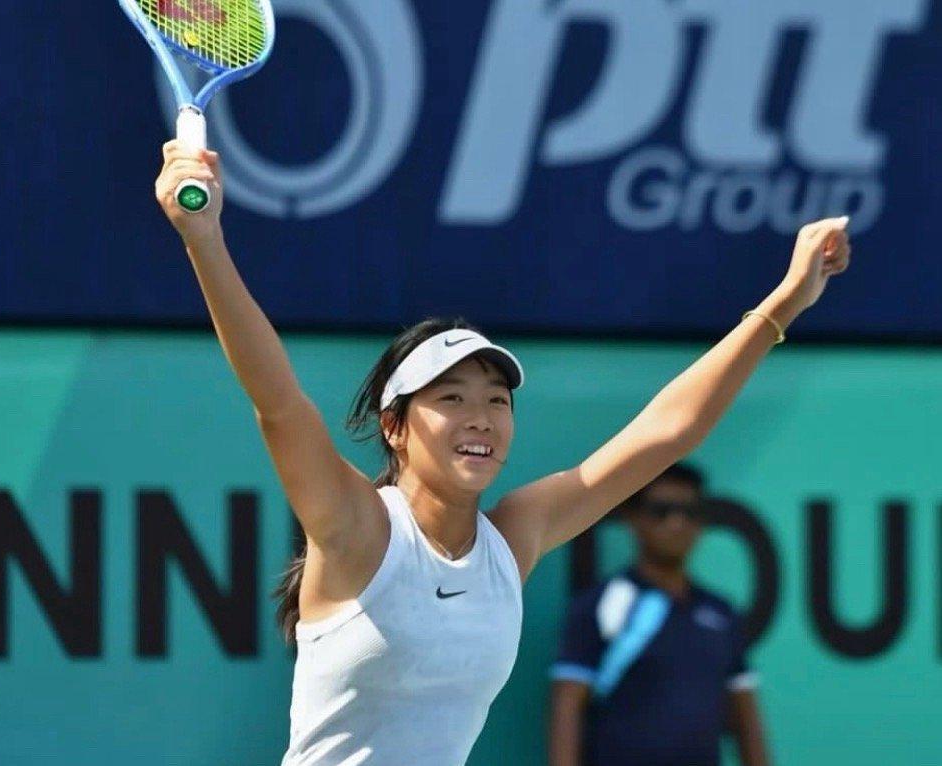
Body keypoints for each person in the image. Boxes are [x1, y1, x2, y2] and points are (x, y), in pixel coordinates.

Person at [152, 143, 850, 766]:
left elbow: (666, 433)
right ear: (395, 427)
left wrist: (785, 303)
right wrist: (204, 242)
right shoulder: (357, 527)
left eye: (496, 399)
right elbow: (278, 403)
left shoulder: (514, 535)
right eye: (450, 398)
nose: (480, 418)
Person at [548, 463, 771, 766]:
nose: (677, 523)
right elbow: (567, 708)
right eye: (661, 511)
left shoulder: (721, 612)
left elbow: (746, 718)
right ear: (633, 518)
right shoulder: (599, 605)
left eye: (689, 512)